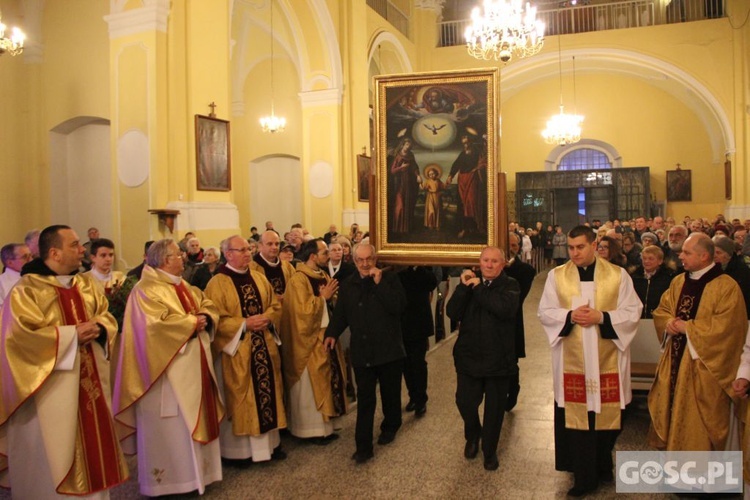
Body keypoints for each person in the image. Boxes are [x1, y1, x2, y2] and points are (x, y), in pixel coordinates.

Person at [0, 225, 129, 497]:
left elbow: (104, 314)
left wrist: (101, 327)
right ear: (55, 253)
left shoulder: (85, 284)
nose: (83, 249)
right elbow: (19, 339)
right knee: (52, 456)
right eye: (75, 245)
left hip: (90, 383)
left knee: (93, 445)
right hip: (48, 394)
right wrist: (71, 336)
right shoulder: (26, 291)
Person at [113, 238, 224, 496]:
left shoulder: (182, 284)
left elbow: (205, 304)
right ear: (164, 260)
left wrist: (205, 318)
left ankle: (197, 477)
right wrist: (189, 324)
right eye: (177, 255)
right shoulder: (146, 290)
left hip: (192, 366)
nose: (183, 258)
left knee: (189, 420)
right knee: (172, 426)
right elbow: (151, 328)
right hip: (164, 375)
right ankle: (170, 483)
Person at [538, 225, 642, 496]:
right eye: (570, 248)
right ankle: (584, 477)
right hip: (572, 361)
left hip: (606, 358)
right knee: (577, 420)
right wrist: (569, 316)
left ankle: (602, 467)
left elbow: (633, 311)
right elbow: (545, 311)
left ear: (594, 245)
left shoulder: (617, 276)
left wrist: (602, 318)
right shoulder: (556, 276)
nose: (574, 253)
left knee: (606, 417)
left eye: (580, 247)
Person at [649, 233, 747, 452]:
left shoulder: (726, 287)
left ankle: (703, 477)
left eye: (686, 252)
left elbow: (729, 329)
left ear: (704, 256)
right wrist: (668, 323)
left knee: (698, 425)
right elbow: (662, 310)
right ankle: (677, 472)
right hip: (675, 362)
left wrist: (689, 328)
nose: (680, 255)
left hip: (704, 371)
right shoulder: (679, 281)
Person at [204, 235, 287, 463]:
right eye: (242, 250)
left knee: (268, 391)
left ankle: (271, 446)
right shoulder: (217, 283)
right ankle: (240, 453)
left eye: (248, 250)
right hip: (238, 351)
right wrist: (244, 324)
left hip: (264, 346)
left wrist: (268, 318)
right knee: (244, 396)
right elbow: (216, 318)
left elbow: (275, 304)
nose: (248, 254)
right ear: (228, 254)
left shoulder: (259, 278)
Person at [324, 243, 407, 464]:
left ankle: (390, 426)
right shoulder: (349, 283)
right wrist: (332, 333)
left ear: (375, 258)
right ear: (354, 260)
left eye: (368, 259)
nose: (364, 264)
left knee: (390, 393)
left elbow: (398, 307)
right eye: (360, 260)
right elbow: (341, 312)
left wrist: (379, 285)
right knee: (366, 399)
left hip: (389, 349)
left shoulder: (389, 279)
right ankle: (363, 447)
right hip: (363, 350)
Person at [447, 247, 519, 471]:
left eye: (494, 261)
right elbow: (452, 312)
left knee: (494, 411)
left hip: (499, 359)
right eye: (485, 261)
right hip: (469, 356)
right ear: (479, 263)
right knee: (465, 402)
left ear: (502, 264)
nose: (489, 265)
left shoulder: (510, 285)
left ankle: (489, 451)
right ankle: (472, 434)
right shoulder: (469, 285)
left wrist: (477, 288)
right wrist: (462, 288)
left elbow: (503, 309)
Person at [281, 239, 347, 443]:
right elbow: (301, 313)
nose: (328, 255)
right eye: (324, 252)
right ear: (313, 256)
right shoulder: (298, 279)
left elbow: (332, 300)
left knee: (329, 380)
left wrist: (332, 298)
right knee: (311, 386)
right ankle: (311, 430)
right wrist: (323, 298)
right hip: (308, 343)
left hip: (326, 338)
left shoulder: (322, 274)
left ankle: (327, 425)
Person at [398, 265, 438, 417]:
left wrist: (418, 267)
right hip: (401, 321)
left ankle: (421, 399)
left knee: (418, 363)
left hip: (419, 321)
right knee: (406, 364)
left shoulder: (424, 269)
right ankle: (413, 396)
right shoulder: (398, 271)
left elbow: (432, 283)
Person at [504, 232, 536, 411]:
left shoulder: (524, 271)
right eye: (507, 245)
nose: (510, 249)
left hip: (512, 321)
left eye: (514, 246)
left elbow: (517, 297)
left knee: (511, 360)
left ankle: (512, 391)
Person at [446, 134, 487, 239]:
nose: (466, 145)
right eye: (464, 143)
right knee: (463, 204)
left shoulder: (477, 152)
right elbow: (456, 164)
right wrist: (450, 176)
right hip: (462, 180)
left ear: (470, 142)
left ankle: (475, 226)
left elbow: (483, 161)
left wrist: (476, 169)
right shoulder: (462, 154)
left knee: (471, 202)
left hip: (472, 179)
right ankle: (465, 228)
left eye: (467, 142)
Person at [251, 230, 295, 302]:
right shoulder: (252, 268)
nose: (274, 247)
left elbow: (295, 287)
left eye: (277, 244)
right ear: (260, 246)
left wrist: (287, 296)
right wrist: (272, 299)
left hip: (286, 309)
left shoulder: (287, 267)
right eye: (270, 244)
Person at [389, 137, 421, 234]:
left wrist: (418, 175)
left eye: (409, 145)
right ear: (403, 145)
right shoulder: (398, 156)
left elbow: (415, 167)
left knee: (408, 205)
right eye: (407, 144)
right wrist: (401, 167)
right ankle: (397, 228)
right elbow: (392, 171)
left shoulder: (411, 155)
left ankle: (405, 229)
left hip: (409, 183)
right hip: (399, 183)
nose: (408, 146)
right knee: (400, 205)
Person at [712, 235, 750, 316]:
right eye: (712, 252)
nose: (714, 256)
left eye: (718, 252)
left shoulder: (741, 271)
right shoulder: (710, 268)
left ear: (729, 255)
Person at [0, 243, 32, 307]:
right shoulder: (2, 283)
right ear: (10, 262)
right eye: (25, 257)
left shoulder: (37, 277)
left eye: (31, 256)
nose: (31, 260)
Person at [421, 165, 447, 230]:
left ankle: (437, 225)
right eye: (430, 174)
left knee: (437, 210)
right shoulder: (428, 181)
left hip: (437, 197)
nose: (431, 175)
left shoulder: (438, 181)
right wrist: (419, 183)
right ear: (428, 175)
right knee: (431, 211)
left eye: (433, 174)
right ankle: (430, 224)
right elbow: (423, 187)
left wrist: (447, 183)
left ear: (436, 174)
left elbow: (443, 186)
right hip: (430, 197)